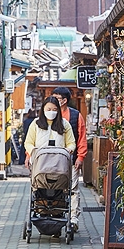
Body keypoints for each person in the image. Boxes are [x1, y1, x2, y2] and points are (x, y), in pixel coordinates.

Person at [50, 87, 87, 231]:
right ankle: (56, 215)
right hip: (51, 161)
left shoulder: (75, 116)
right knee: (55, 188)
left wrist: (81, 157)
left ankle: (73, 219)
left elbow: (82, 138)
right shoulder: (49, 115)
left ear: (64, 101)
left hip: (71, 159)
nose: (53, 102)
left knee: (73, 189)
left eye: (57, 99)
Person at [24, 97, 75, 167]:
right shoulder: (36, 123)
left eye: (54, 110)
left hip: (59, 162)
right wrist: (34, 151)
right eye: (48, 109)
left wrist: (68, 150)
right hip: (39, 162)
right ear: (43, 109)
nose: (51, 112)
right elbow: (28, 143)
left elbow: (71, 143)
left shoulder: (65, 124)